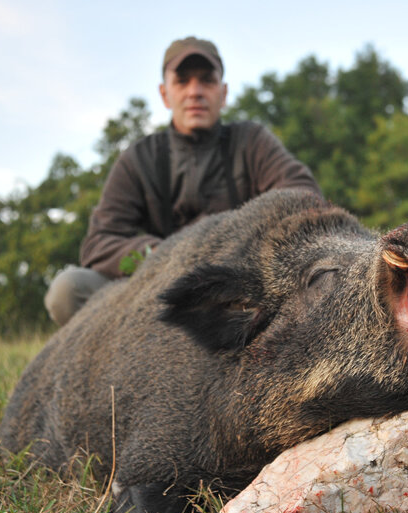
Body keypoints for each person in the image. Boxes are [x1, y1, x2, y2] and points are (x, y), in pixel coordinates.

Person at [44, 37, 321, 326]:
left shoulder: (251, 141)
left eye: (207, 81)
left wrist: (236, 250)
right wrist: (163, 257)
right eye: (182, 82)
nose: (195, 92)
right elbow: (98, 243)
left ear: (223, 93)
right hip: (155, 293)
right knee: (67, 290)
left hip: (237, 291)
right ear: (165, 95)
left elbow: (304, 197)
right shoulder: (139, 158)